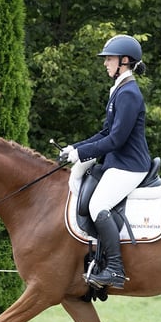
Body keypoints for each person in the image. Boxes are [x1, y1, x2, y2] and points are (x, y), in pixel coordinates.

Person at [60, 34, 151, 289]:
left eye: (109, 58)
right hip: (117, 162)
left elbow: (117, 139)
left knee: (98, 205)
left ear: (124, 61)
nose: (105, 63)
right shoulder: (119, 90)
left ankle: (114, 269)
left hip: (130, 164)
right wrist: (75, 148)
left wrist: (83, 154)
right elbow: (104, 133)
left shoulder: (129, 93)